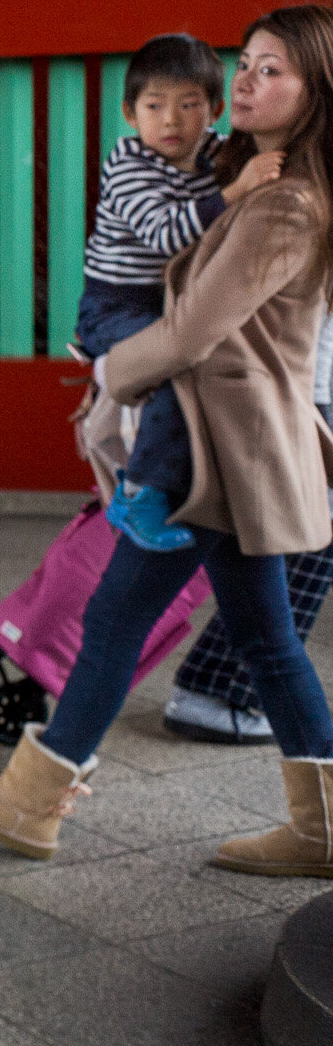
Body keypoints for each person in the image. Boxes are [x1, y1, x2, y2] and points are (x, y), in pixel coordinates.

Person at [0, 6, 333, 881]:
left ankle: (32, 801)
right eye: (248, 65)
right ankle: (322, 828)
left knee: (120, 615)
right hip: (221, 446)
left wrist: (110, 369)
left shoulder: (286, 201)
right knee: (260, 640)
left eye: (270, 71)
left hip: (213, 449)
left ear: (315, 92)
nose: (246, 84)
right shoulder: (249, 172)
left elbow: (190, 333)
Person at [76, 33, 287, 551]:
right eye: (154, 106)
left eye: (189, 105)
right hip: (118, 305)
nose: (171, 120)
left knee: (203, 367)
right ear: (130, 114)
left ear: (215, 109)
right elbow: (168, 234)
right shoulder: (127, 164)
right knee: (175, 375)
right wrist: (238, 191)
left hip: (173, 300)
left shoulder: (216, 154)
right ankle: (140, 491)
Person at [161, 313, 333, 744]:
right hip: (296, 386)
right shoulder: (289, 241)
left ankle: (214, 688)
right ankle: (215, 693)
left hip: (293, 382)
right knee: (303, 542)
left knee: (290, 543)